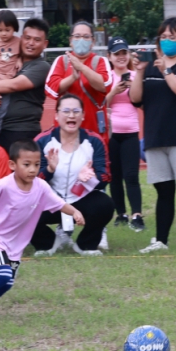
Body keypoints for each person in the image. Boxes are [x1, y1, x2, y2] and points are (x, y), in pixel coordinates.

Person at [0, 139, 85, 321]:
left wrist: (75, 212)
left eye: (37, 164)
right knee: (3, 273)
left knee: (8, 282)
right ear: (12, 165)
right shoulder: (3, 185)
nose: (32, 169)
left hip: (15, 243)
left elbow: (60, 204)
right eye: (27, 164)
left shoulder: (41, 187)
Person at [128, 16, 176, 255]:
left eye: (172, 38)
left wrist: (168, 71)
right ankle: (160, 240)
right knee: (163, 192)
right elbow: (135, 98)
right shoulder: (151, 66)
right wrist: (139, 72)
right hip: (155, 138)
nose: (167, 42)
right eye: (163, 37)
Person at [33, 94, 114, 257]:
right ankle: (48, 243)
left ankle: (85, 245)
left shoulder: (94, 140)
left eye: (76, 111)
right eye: (66, 111)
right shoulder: (42, 141)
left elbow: (105, 176)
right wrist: (49, 170)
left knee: (105, 204)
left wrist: (89, 178)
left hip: (80, 199)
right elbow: (30, 180)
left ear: (83, 115)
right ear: (56, 115)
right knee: (23, 207)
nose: (71, 115)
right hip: (51, 200)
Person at [0, 18, 51, 153]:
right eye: (27, 38)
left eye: (37, 40)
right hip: (0, 130)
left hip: (22, 131)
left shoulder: (42, 66)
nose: (31, 43)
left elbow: (13, 85)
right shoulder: (9, 61)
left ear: (45, 44)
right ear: (21, 39)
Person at [45, 20, 111, 142]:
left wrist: (81, 67)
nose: (81, 40)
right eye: (77, 36)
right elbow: (51, 89)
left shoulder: (100, 61)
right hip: (64, 134)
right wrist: (72, 78)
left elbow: (105, 85)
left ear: (93, 42)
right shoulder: (61, 61)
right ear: (71, 41)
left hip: (94, 132)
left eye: (86, 37)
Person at [105, 37, 144, 231]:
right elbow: (100, 104)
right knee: (115, 177)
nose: (121, 57)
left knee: (131, 176)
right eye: (116, 54)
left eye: (123, 53)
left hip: (130, 132)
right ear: (109, 56)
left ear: (128, 55)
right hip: (112, 134)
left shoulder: (136, 76)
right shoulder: (106, 77)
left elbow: (142, 102)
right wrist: (113, 92)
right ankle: (121, 213)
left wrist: (133, 89)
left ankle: (137, 215)